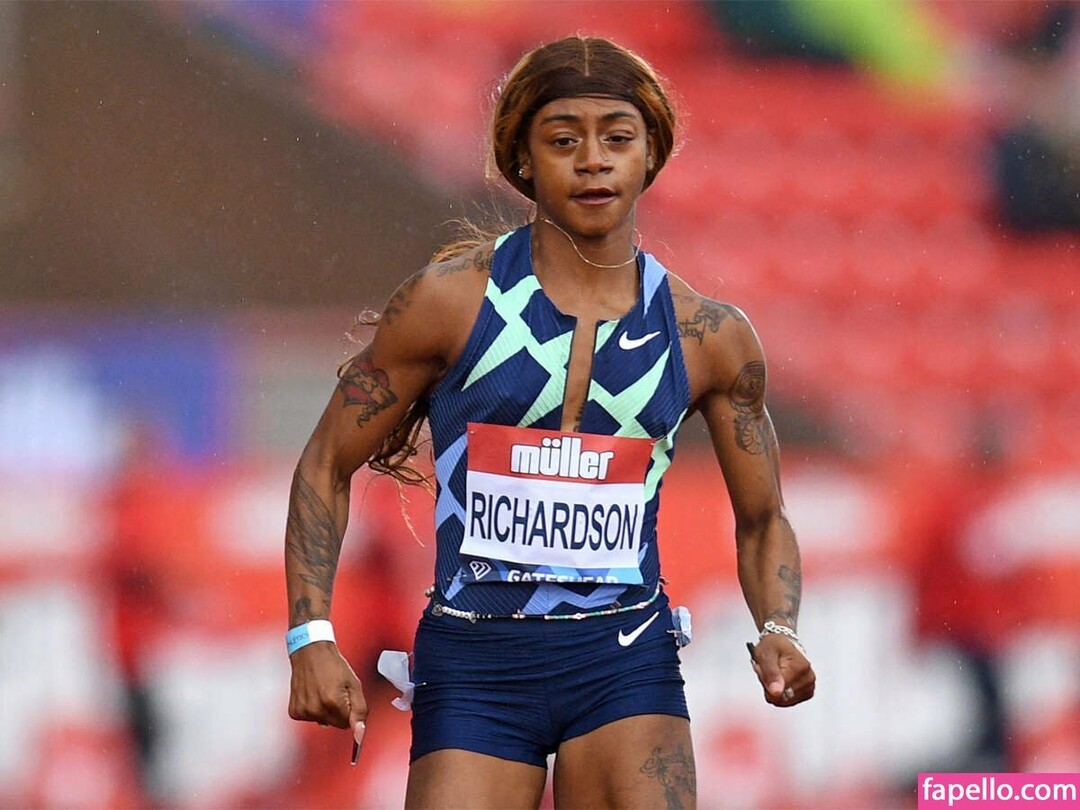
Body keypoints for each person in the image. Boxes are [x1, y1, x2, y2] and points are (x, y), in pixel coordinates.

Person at [284, 35, 815, 809]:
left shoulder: (708, 337)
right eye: (564, 141)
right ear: (522, 160)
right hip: (474, 663)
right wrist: (310, 634)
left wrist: (780, 627)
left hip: (623, 658)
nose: (593, 161)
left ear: (651, 155)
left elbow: (764, 518)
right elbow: (326, 462)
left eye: (617, 139)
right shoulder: (450, 303)